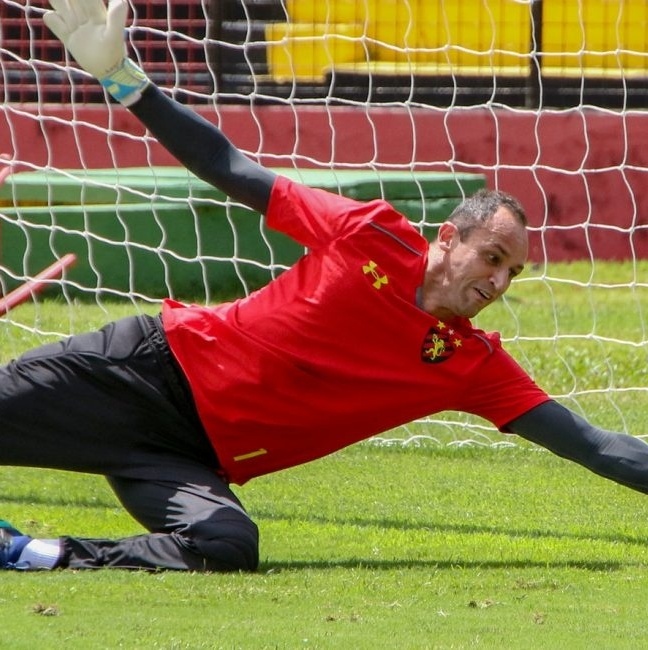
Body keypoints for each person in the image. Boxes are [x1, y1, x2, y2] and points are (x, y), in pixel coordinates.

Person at [2, 0, 648, 572]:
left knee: (225, 546)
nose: (499, 280)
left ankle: (30, 553)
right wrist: (123, 79)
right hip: (139, 372)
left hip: (186, 454)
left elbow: (597, 447)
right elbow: (228, 166)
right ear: (448, 238)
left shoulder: (470, 365)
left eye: (513, 272)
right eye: (493, 257)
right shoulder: (368, 234)